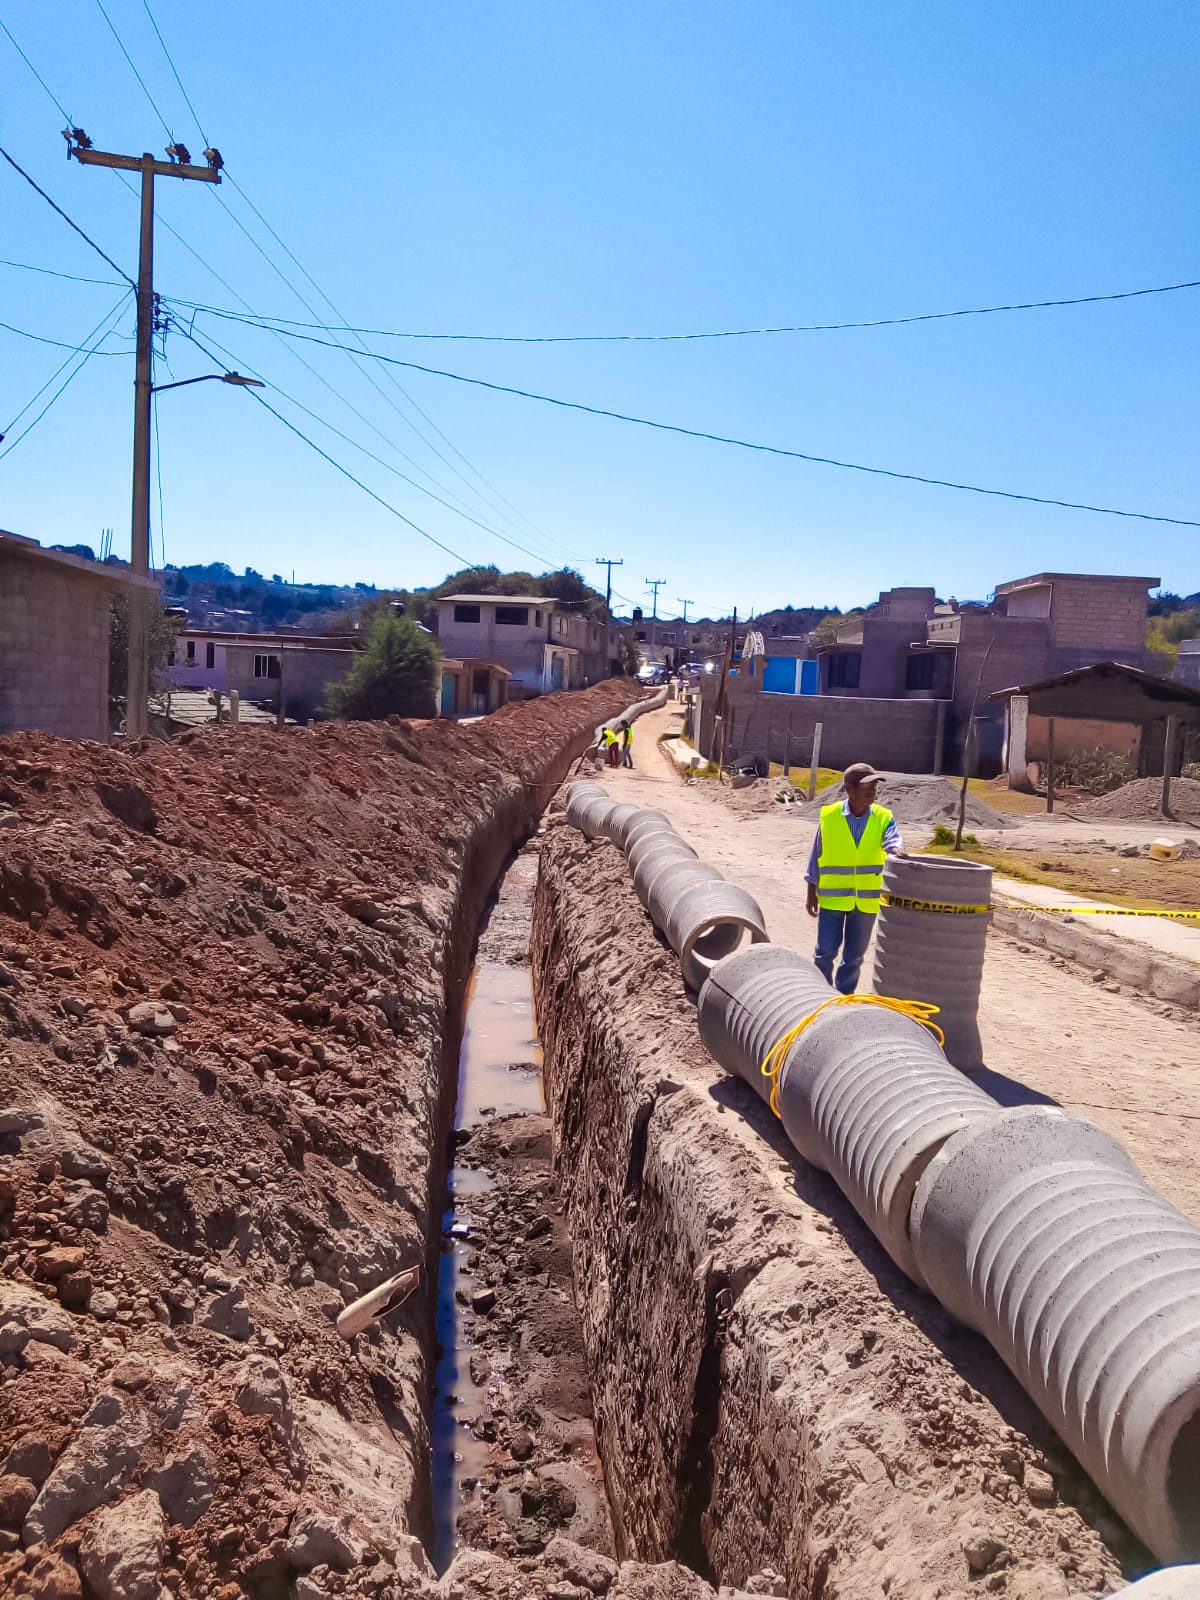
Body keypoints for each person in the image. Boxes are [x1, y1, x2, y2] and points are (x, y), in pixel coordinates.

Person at [805, 762, 904, 994]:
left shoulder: (883, 816)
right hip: (833, 899)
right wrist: (811, 893)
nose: (873, 791)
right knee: (825, 953)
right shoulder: (830, 817)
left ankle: (842, 998)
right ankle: (820, 996)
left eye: (875, 786)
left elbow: (893, 839)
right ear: (849, 788)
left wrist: (897, 849)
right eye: (866, 786)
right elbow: (815, 856)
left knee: (854, 957)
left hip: (866, 902)